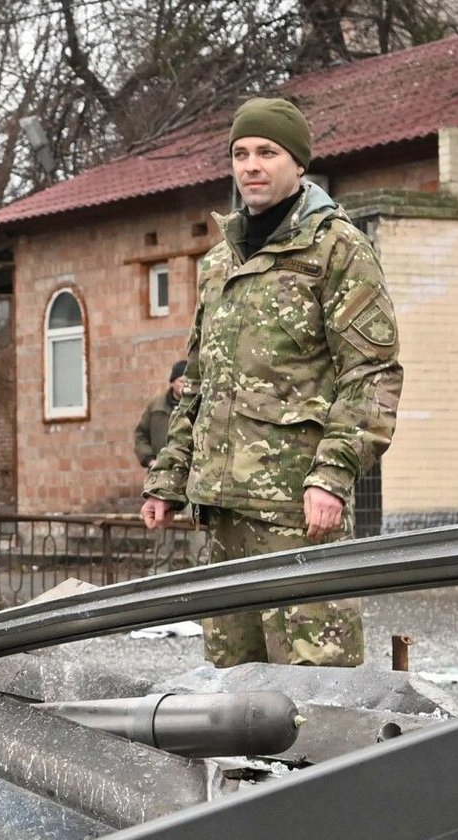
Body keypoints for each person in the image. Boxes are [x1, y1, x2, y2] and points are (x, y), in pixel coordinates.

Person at [141, 97, 400, 667]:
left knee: (315, 690)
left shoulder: (337, 250)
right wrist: (168, 475)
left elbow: (372, 374)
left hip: (295, 511)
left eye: (267, 152)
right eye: (240, 154)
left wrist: (332, 476)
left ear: (298, 164)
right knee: (233, 698)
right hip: (223, 510)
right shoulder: (219, 263)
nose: (251, 166)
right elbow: (199, 382)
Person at [134, 359, 189, 467]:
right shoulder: (155, 406)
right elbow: (140, 435)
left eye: (188, 382)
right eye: (181, 381)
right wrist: (149, 460)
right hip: (161, 470)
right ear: (172, 383)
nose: (185, 385)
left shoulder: (196, 405)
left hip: (187, 470)